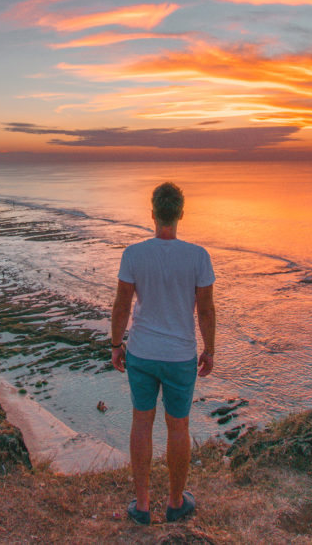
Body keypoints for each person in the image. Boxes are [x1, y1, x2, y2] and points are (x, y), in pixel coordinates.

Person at [110, 182, 216, 525]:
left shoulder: (134, 254)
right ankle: (174, 503)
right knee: (178, 426)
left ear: (153, 213)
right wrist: (210, 349)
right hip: (180, 355)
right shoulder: (198, 256)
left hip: (142, 352)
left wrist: (115, 345)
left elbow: (122, 305)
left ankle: (142, 506)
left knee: (142, 422)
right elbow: (206, 310)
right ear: (181, 213)